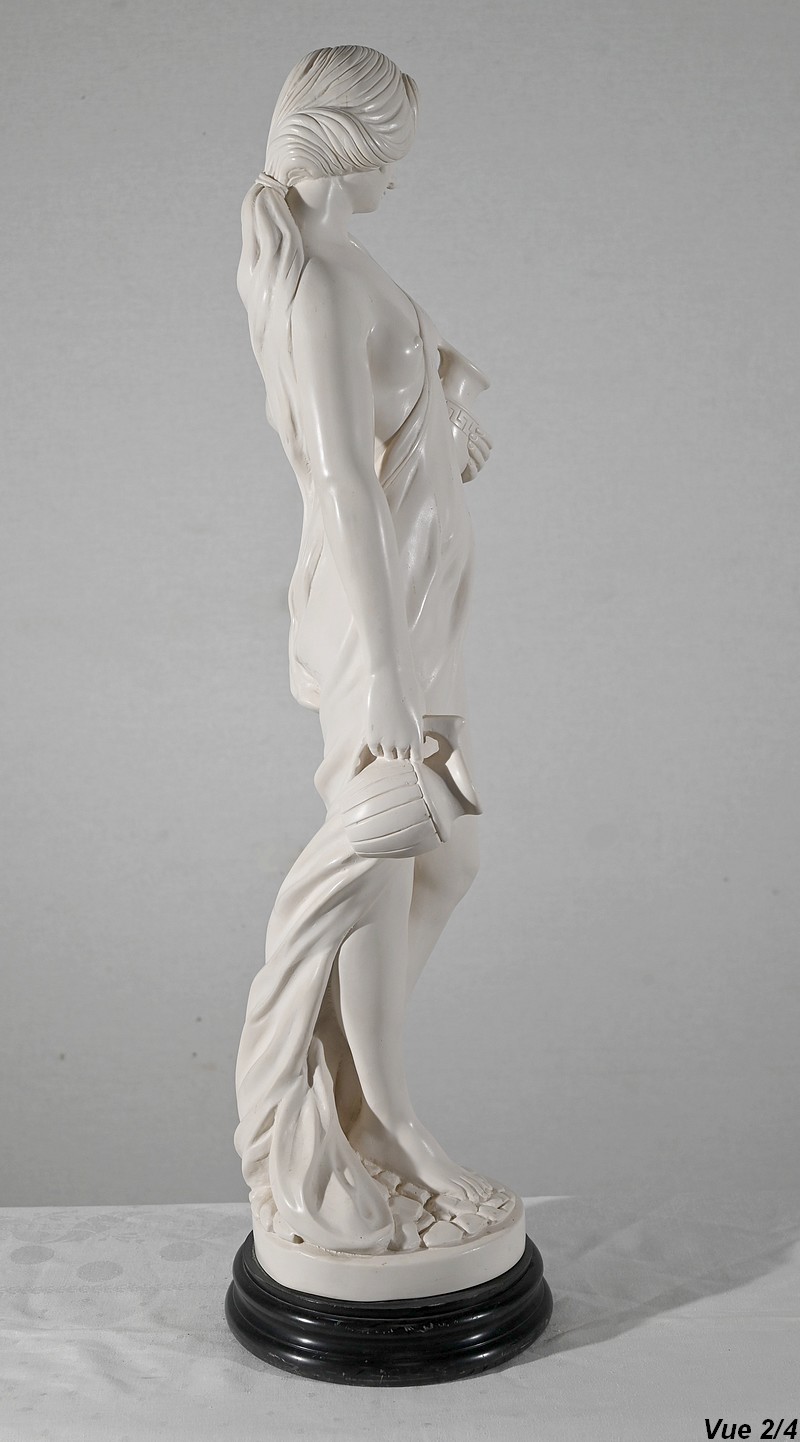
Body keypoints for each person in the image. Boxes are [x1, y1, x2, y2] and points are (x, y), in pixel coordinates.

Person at [234, 45, 494, 1254]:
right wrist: (382, 676)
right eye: (392, 149)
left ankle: (356, 1096)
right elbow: (341, 480)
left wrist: (444, 409)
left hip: (419, 611)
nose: (401, 171)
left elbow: (390, 430)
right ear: (350, 145)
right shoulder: (317, 287)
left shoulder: (345, 259)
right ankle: (382, 1122)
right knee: (384, 863)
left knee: (448, 856)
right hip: (370, 622)